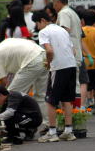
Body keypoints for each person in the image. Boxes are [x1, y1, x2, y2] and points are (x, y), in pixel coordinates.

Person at [32, 10, 77, 142]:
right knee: (66, 99)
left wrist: (48, 61)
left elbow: (49, 50)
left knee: (50, 100)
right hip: (71, 65)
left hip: (58, 67)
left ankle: (52, 132)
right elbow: (73, 51)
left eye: (37, 23)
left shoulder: (44, 32)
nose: (37, 27)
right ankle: (68, 131)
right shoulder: (62, 30)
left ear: (42, 20)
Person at [0, 38, 48, 119]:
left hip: (31, 60)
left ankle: (6, 123)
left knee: (12, 96)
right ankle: (44, 124)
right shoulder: (3, 45)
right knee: (40, 96)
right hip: (43, 56)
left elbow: (3, 82)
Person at [53, 0, 93, 110]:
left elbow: (64, 30)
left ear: (59, 3)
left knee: (73, 84)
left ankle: (75, 112)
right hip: (76, 52)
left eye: (54, 4)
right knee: (75, 82)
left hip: (69, 53)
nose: (54, 7)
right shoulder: (73, 13)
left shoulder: (64, 13)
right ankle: (76, 111)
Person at [81, 10, 95, 113]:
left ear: (83, 20)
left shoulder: (81, 30)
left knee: (86, 84)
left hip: (85, 61)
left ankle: (89, 103)